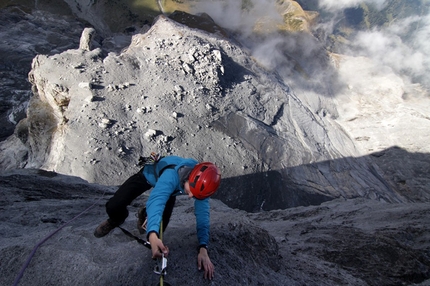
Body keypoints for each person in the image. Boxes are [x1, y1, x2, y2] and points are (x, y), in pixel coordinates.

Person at [94, 155, 221, 280]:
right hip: (148, 176)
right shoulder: (172, 176)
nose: (190, 196)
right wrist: (152, 235)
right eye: (191, 191)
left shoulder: (200, 184)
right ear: (190, 178)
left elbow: (203, 215)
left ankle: (144, 214)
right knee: (114, 206)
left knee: (161, 225)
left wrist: (203, 247)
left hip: (170, 190)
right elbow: (156, 200)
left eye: (196, 195)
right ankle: (116, 219)